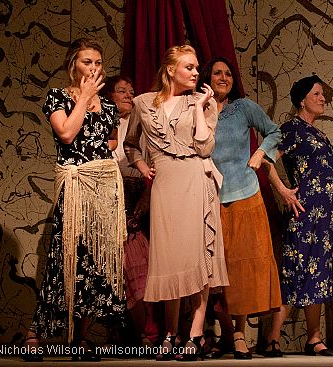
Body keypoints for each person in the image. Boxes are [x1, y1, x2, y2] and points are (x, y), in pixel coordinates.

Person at [22, 37, 127, 362]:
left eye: (97, 63)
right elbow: (67, 133)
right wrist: (83, 97)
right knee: (65, 257)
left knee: (95, 262)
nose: (93, 68)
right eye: (86, 62)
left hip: (102, 190)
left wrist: (102, 170)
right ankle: (33, 335)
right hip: (75, 188)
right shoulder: (59, 97)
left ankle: (79, 339)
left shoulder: (109, 108)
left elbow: (110, 142)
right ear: (73, 66)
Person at [123, 45, 229, 361]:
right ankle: (171, 332)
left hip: (196, 180)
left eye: (197, 68)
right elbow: (131, 145)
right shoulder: (142, 103)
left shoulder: (203, 104)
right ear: (171, 70)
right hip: (165, 185)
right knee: (170, 261)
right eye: (190, 67)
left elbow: (205, 146)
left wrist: (199, 108)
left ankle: (194, 332)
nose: (196, 73)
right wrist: (143, 167)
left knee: (199, 257)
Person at [196, 57, 282, 360]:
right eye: (217, 72)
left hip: (245, 194)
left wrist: (261, 153)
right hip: (209, 197)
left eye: (228, 73)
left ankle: (239, 335)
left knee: (243, 269)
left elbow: (275, 132)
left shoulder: (244, 107)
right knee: (216, 272)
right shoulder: (196, 106)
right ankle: (222, 335)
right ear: (206, 76)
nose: (223, 77)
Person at [263, 75, 333, 357]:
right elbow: (265, 160)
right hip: (305, 210)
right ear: (302, 99)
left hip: (327, 214)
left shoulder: (319, 134)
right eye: (317, 94)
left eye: (323, 94)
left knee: (319, 271)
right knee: (294, 268)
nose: (322, 98)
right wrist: (285, 192)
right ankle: (272, 337)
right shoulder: (291, 129)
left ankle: (314, 338)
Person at [101, 75, 159, 349]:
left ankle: (145, 334)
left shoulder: (141, 129)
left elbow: (151, 168)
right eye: (121, 91)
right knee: (111, 271)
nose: (128, 95)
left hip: (137, 202)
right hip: (107, 201)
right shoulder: (102, 124)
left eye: (131, 91)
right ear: (109, 96)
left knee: (140, 267)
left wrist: (143, 203)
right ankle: (122, 334)